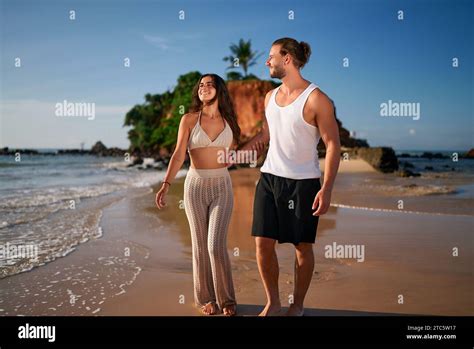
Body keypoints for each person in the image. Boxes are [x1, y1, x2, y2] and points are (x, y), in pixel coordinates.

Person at [240, 38, 341, 316]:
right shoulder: (269, 97)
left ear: (287, 58)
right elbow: (266, 136)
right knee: (262, 243)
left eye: (271, 56)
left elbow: (332, 144)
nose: (266, 61)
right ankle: (273, 302)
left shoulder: (316, 98)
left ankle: (297, 304)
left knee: (302, 247)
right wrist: (237, 154)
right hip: (269, 179)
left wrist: (328, 188)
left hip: (303, 184)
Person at [155, 74, 241, 316]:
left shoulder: (230, 122)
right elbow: (179, 154)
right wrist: (166, 183)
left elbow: (232, 155)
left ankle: (227, 299)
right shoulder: (189, 119)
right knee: (200, 246)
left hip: (222, 186)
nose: (204, 88)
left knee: (215, 245)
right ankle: (206, 298)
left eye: (210, 84)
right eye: (201, 85)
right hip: (194, 186)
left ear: (219, 90)